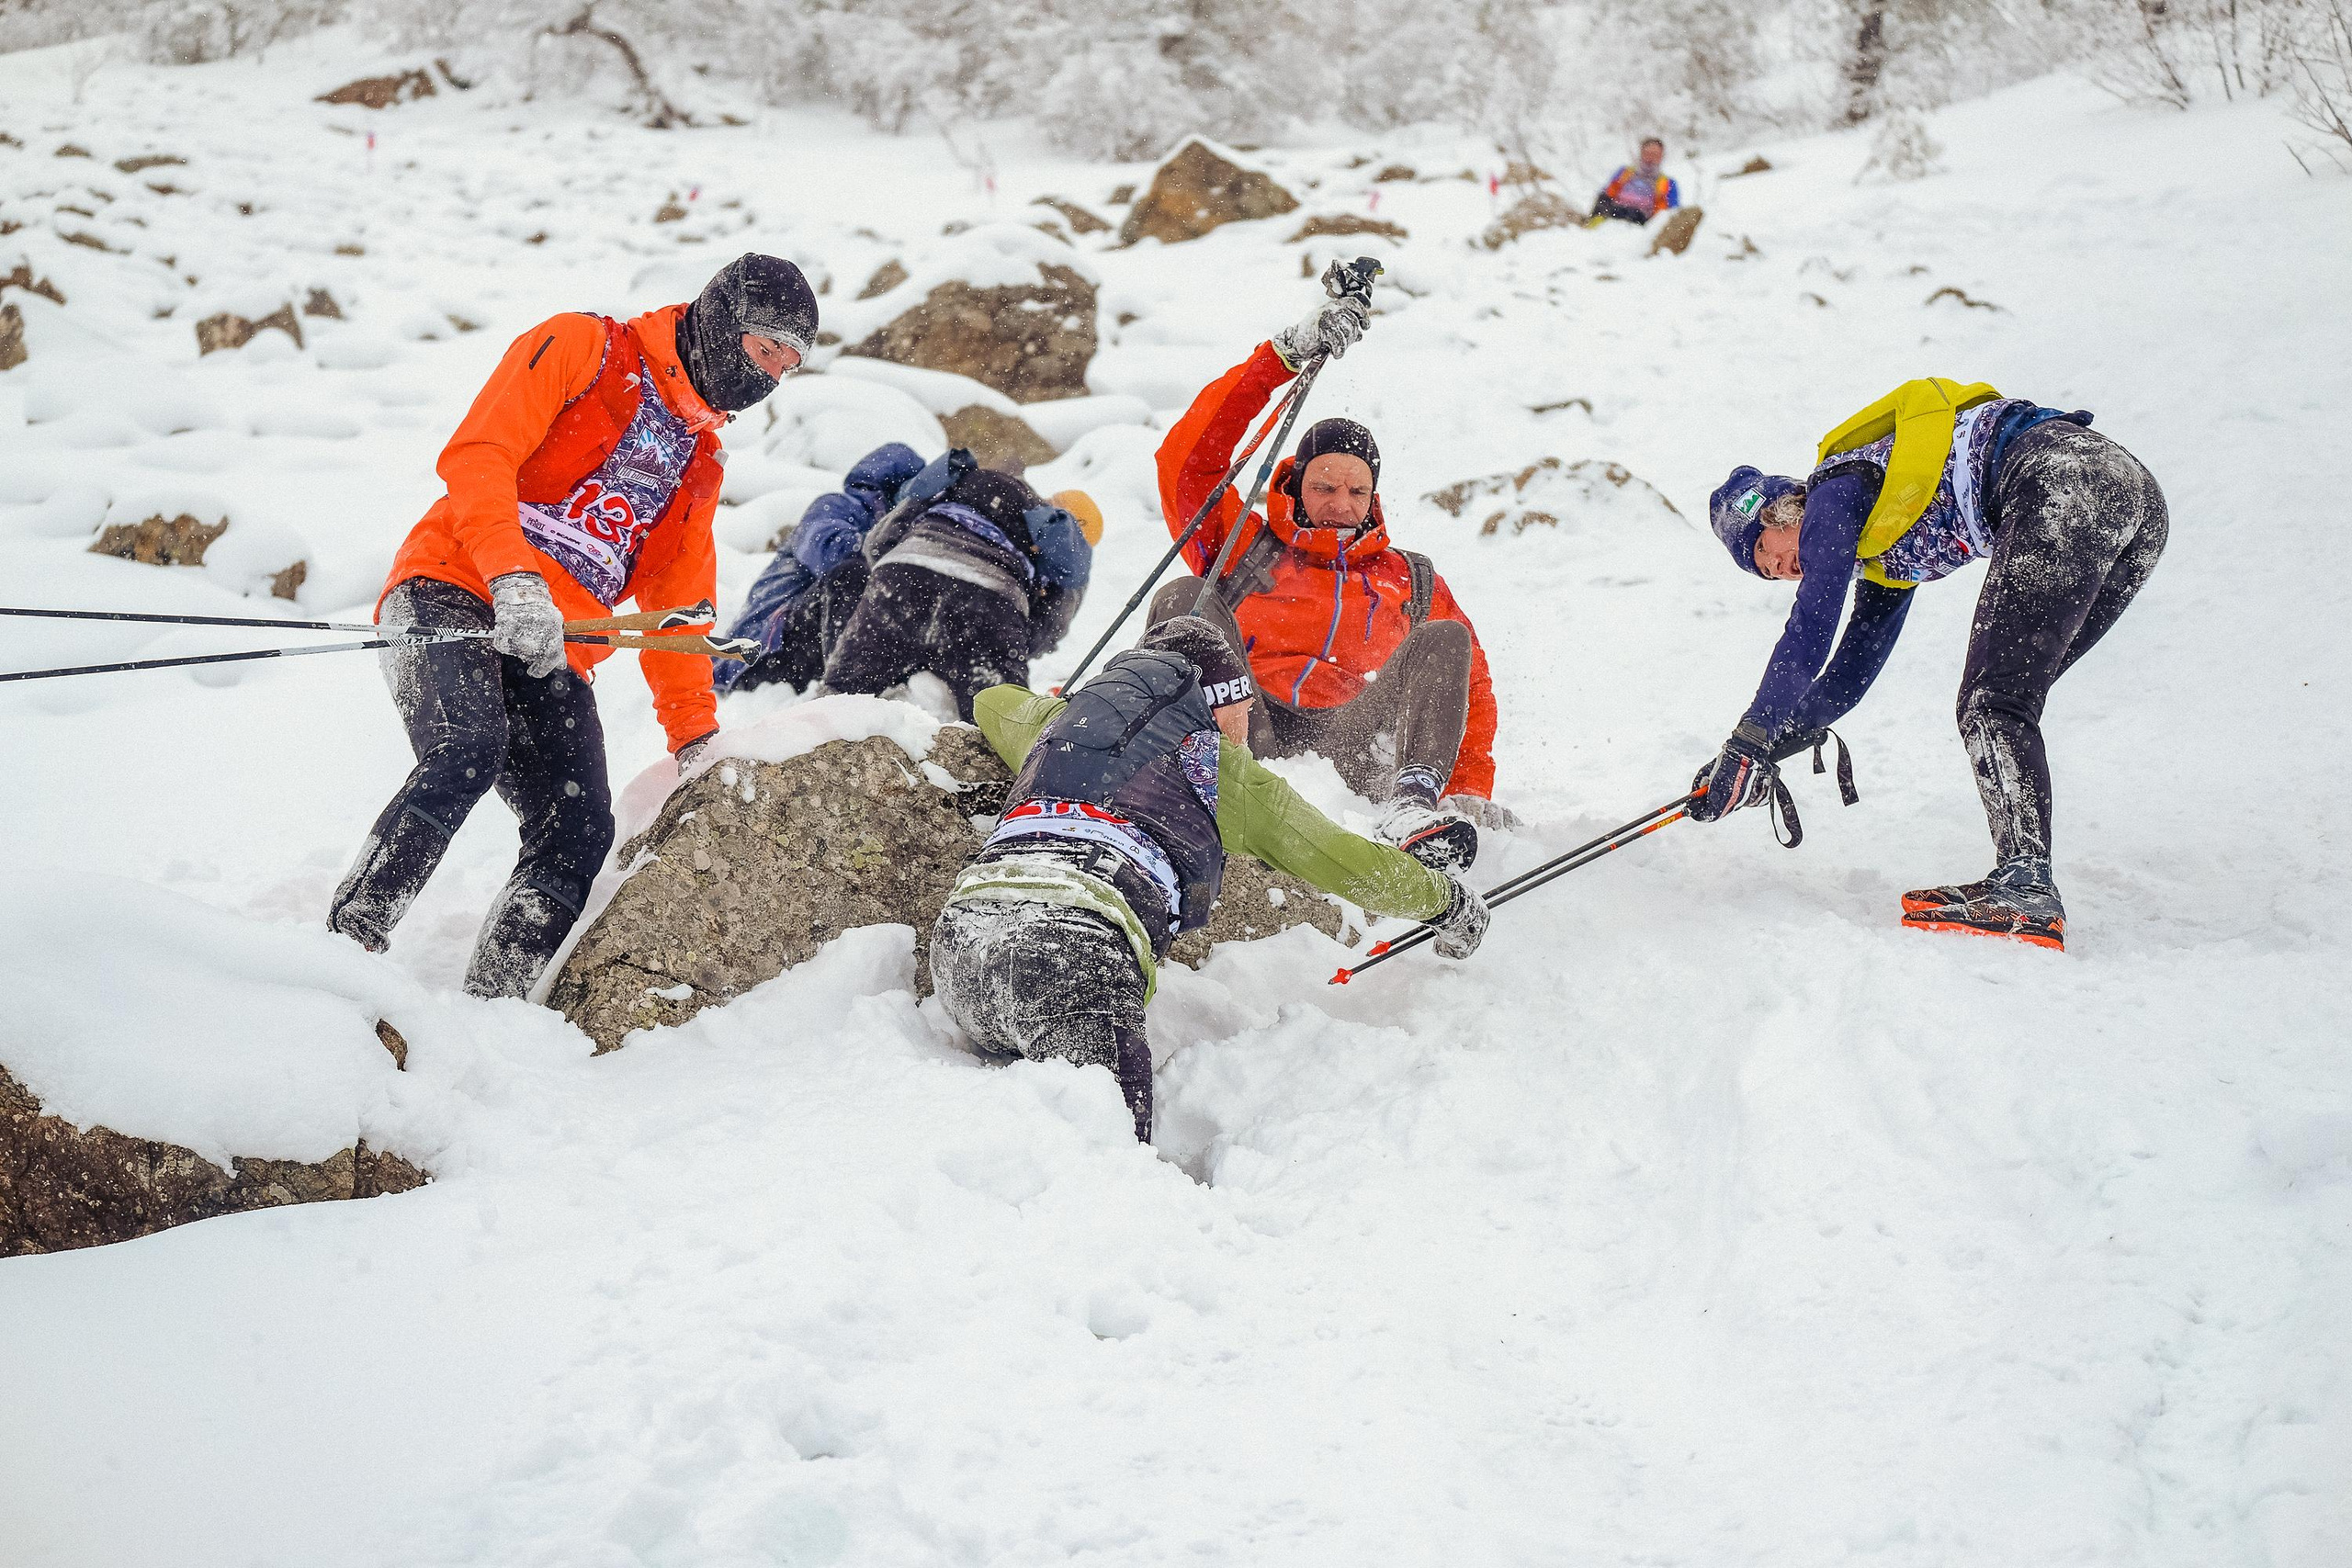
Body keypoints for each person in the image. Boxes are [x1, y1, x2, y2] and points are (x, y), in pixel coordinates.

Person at [327, 254, 818, 996]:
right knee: (468, 747)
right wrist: (512, 577)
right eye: (767, 348)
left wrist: (694, 743)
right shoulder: (586, 347)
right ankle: (343, 951)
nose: (772, 374)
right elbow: (477, 454)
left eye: (790, 363)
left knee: (580, 828)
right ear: (725, 322)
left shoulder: (699, 463)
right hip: (449, 587)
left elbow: (680, 613)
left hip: (551, 647)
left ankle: (493, 1005)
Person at [931, 616, 1490, 1143]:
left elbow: (991, 701)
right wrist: (1444, 902)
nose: (1245, 730)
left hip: (958, 955)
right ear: (1221, 705)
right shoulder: (1218, 768)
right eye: (1244, 709)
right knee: (1104, 1166)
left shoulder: (1056, 725)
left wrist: (1078, 707)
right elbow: (1342, 859)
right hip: (1074, 960)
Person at [1690, 378, 2169, 951]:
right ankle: (2024, 880)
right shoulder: (1882, 541)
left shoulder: (1834, 494)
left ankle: (2024, 888)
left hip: (2063, 480)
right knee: (2006, 697)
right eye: (1768, 574)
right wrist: (1770, 746)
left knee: (1994, 702)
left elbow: (1811, 629)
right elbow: (1849, 671)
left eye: (1767, 551)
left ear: (1778, 510)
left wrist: (1747, 738)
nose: (1781, 569)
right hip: (2130, 498)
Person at [1147, 288, 1502, 874]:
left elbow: (1473, 689)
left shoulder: (1409, 579)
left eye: (1356, 491)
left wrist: (1469, 787)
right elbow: (1186, 462)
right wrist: (1282, 358)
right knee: (1183, 599)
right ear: (1295, 485)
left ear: (1372, 498)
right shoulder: (1244, 544)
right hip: (1246, 725)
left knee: (1446, 640)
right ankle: (1207, 774)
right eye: (1325, 487)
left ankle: (1413, 807)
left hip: (1356, 742)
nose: (1340, 504)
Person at [720, 446, 1102, 707]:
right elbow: (833, 551)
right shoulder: (835, 506)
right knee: (1000, 720)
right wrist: (1018, 641)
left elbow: (880, 549)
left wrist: (903, 563)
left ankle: (841, 705)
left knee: (845, 693)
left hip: (898, 582)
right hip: (767, 643)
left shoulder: (949, 496)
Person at [717, 442, 926, 695]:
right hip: (766, 651)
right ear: (893, 488)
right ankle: (843, 694)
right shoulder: (836, 506)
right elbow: (830, 553)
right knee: (852, 575)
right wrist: (895, 536)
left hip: (810, 656)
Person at [1589, 138, 1679, 226]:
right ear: (1641, 153)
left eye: (1655, 154)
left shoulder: (1668, 183)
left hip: (1642, 223)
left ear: (1661, 157)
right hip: (1614, 215)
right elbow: (1606, 196)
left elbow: (1671, 214)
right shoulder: (1624, 172)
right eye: (1647, 153)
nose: (1650, 158)